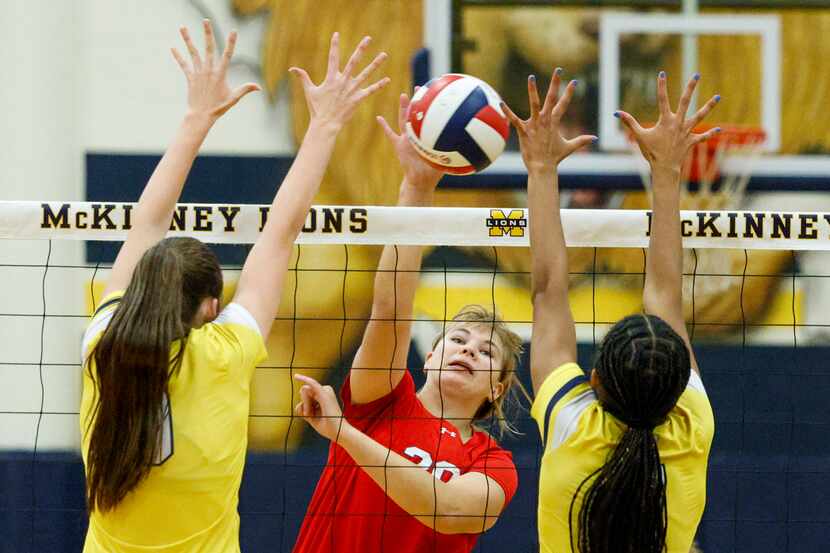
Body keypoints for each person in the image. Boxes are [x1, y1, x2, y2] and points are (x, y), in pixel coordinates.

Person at [79, 24, 389, 553]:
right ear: (210, 307)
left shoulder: (102, 343)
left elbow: (146, 224)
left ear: (141, 287)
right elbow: (280, 234)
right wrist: (325, 126)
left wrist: (195, 118)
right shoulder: (226, 351)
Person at [291, 92, 525, 553]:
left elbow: (450, 511)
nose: (468, 350)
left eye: (485, 353)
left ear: (496, 388)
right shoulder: (381, 402)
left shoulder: (494, 463)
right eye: (457, 339)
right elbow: (391, 310)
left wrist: (343, 433)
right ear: (431, 354)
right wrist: (415, 191)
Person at [502, 69, 718, 553]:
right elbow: (662, 296)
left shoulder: (575, 423)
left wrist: (539, 169)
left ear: (596, 379)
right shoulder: (689, 427)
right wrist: (667, 171)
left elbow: (549, 287)